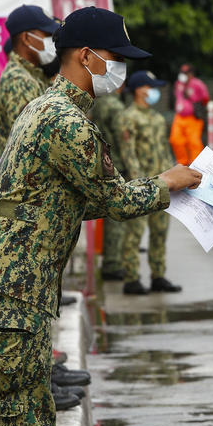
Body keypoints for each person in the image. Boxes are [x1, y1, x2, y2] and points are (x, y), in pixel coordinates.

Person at [0, 6, 202, 426]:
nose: (117, 70)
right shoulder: (65, 121)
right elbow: (114, 199)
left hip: (14, 285)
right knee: (25, 412)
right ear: (86, 56)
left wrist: (158, 184)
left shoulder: (54, 109)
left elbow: (86, 197)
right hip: (11, 286)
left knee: (34, 411)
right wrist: (167, 183)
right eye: (114, 59)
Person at [119, 70, 184, 295]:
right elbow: (128, 154)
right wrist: (139, 184)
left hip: (163, 184)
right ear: (139, 89)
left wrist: (173, 177)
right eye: (150, 87)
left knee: (159, 232)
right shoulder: (128, 117)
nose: (154, 91)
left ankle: (158, 275)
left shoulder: (157, 118)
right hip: (141, 186)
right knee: (135, 233)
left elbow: (165, 152)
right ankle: (131, 278)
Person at [0, 5, 61, 154]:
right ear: (26, 38)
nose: (52, 41)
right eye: (47, 35)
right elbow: (33, 142)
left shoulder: (34, 75)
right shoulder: (19, 81)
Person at [88, 85, 128, 281]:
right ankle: (114, 263)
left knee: (108, 215)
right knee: (119, 216)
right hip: (118, 166)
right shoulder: (116, 107)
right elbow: (124, 142)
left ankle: (109, 260)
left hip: (102, 163)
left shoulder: (99, 104)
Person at [169, 63, 210, 165]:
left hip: (193, 118)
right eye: (182, 73)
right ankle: (182, 163)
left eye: (186, 73)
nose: (183, 75)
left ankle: (197, 165)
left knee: (194, 142)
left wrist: (196, 104)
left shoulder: (197, 84)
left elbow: (205, 98)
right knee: (175, 139)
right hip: (179, 117)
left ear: (191, 74)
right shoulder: (178, 84)